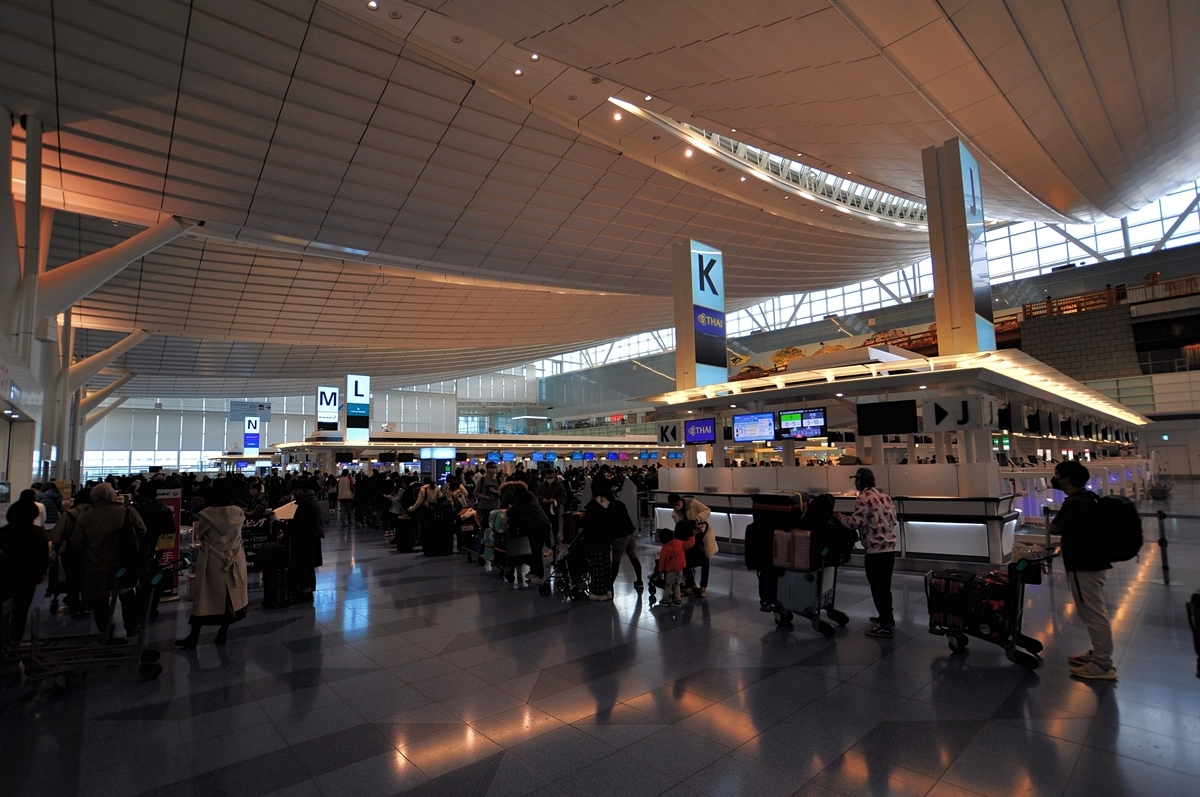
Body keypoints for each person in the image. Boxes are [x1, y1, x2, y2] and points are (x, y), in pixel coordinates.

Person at [1049, 460, 1117, 680]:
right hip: (1095, 562)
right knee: (1095, 611)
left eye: (1057, 474)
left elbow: (1054, 528)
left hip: (1084, 565)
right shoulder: (1089, 497)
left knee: (1093, 614)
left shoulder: (1074, 503)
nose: (1054, 478)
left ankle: (1102, 664)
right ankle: (1098, 654)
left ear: (1066, 479)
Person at [67, 483, 148, 637]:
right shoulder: (126, 511)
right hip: (123, 561)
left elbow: (76, 543)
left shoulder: (86, 517)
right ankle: (132, 626)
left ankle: (106, 631)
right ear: (111, 496)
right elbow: (142, 530)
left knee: (100, 600)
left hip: (96, 563)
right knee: (127, 594)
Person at [175, 480, 248, 648]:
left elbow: (201, 533)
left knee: (205, 597)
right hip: (234, 557)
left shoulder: (206, 514)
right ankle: (223, 633)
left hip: (213, 560)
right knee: (231, 598)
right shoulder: (238, 512)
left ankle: (194, 637)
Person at [837, 468, 897, 638]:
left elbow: (856, 522)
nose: (855, 483)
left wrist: (840, 518)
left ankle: (885, 626)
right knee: (885, 586)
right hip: (890, 549)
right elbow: (894, 520)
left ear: (861, 481)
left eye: (856, 480)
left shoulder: (863, 498)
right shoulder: (884, 496)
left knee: (878, 587)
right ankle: (887, 617)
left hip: (875, 551)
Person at [0, 494, 50, 642]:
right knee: (20, 611)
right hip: (28, 577)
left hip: (5, 575)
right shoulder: (38, 533)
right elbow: (43, 557)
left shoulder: (3, 532)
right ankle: (15, 640)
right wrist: (41, 573)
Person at [581, 484, 632, 601]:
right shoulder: (610, 504)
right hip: (607, 539)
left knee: (597, 566)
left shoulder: (592, 506)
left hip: (595, 539)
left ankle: (599, 592)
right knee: (606, 564)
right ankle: (608, 590)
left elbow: (588, 523)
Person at [286, 478, 324, 603]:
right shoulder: (311, 500)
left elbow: (301, 524)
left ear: (299, 490)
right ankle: (306, 592)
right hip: (309, 540)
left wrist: (287, 532)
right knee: (307, 568)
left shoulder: (306, 503)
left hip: (304, 541)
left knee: (303, 567)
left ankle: (303, 594)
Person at [669, 493, 714, 597]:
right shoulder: (675, 514)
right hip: (688, 539)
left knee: (705, 560)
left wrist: (697, 519)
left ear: (681, 500)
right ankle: (692, 584)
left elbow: (707, 510)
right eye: (674, 506)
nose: (677, 507)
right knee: (685, 562)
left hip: (702, 535)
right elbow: (680, 529)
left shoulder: (692, 503)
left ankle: (703, 586)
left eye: (678, 504)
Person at [657, 520, 695, 606]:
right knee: (677, 585)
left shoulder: (664, 549)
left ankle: (665, 600)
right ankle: (677, 600)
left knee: (668, 586)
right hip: (680, 570)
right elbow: (690, 544)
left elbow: (662, 562)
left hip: (670, 572)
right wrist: (692, 536)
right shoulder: (679, 543)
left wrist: (660, 572)